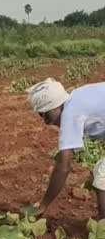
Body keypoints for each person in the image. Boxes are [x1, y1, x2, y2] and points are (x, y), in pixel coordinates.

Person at [27, 77, 105, 218]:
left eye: (45, 114)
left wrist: (44, 205)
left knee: (102, 176)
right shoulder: (77, 96)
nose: (45, 121)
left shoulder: (70, 113)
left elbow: (64, 167)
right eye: (41, 115)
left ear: (56, 106)